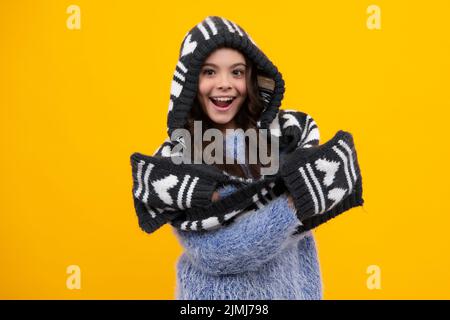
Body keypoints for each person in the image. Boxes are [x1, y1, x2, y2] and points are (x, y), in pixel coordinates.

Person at [161, 16, 324, 300]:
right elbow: (216, 253)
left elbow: (306, 242)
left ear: (251, 78)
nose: (224, 84)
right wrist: (292, 204)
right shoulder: (180, 160)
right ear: (189, 81)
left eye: (236, 72)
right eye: (209, 72)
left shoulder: (283, 140)